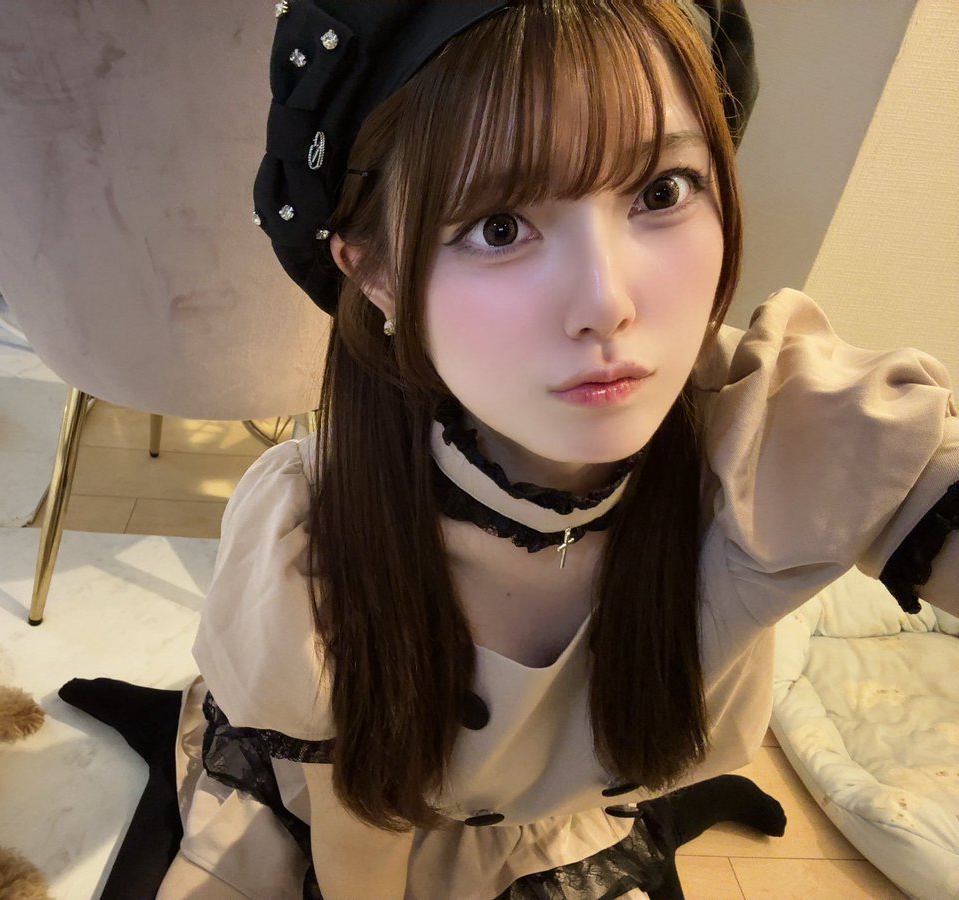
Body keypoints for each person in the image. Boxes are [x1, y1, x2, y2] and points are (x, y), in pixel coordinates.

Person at [65, 1, 959, 897]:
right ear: (375, 271)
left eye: (661, 191)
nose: (607, 303)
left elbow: (912, 470)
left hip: (561, 829)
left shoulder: (766, 432)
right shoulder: (312, 538)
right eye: (499, 226)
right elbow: (362, 844)